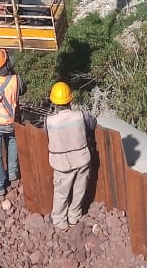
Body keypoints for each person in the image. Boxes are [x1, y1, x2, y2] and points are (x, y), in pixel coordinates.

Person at [45, 82, 97, 230]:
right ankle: (74, 218)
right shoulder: (80, 115)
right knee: (79, 190)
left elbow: (48, 135)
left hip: (62, 164)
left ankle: (60, 222)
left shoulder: (49, 121)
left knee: (61, 193)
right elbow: (92, 124)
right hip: (82, 160)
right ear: (70, 99)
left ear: (54, 102)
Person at [0, 47, 26, 196]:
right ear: (6, 62)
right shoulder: (16, 79)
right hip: (10, 121)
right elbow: (23, 90)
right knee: (12, 142)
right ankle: (13, 173)